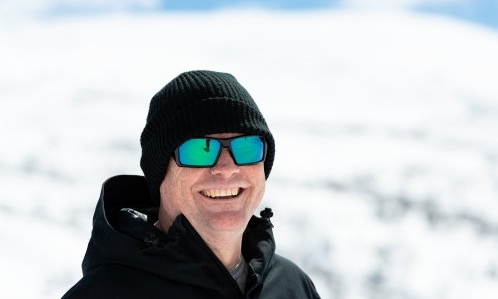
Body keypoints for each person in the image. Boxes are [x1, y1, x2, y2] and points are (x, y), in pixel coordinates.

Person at [63, 70, 320, 298]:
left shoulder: (292, 285)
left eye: (246, 146)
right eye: (201, 149)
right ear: (160, 173)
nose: (227, 168)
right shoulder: (104, 293)